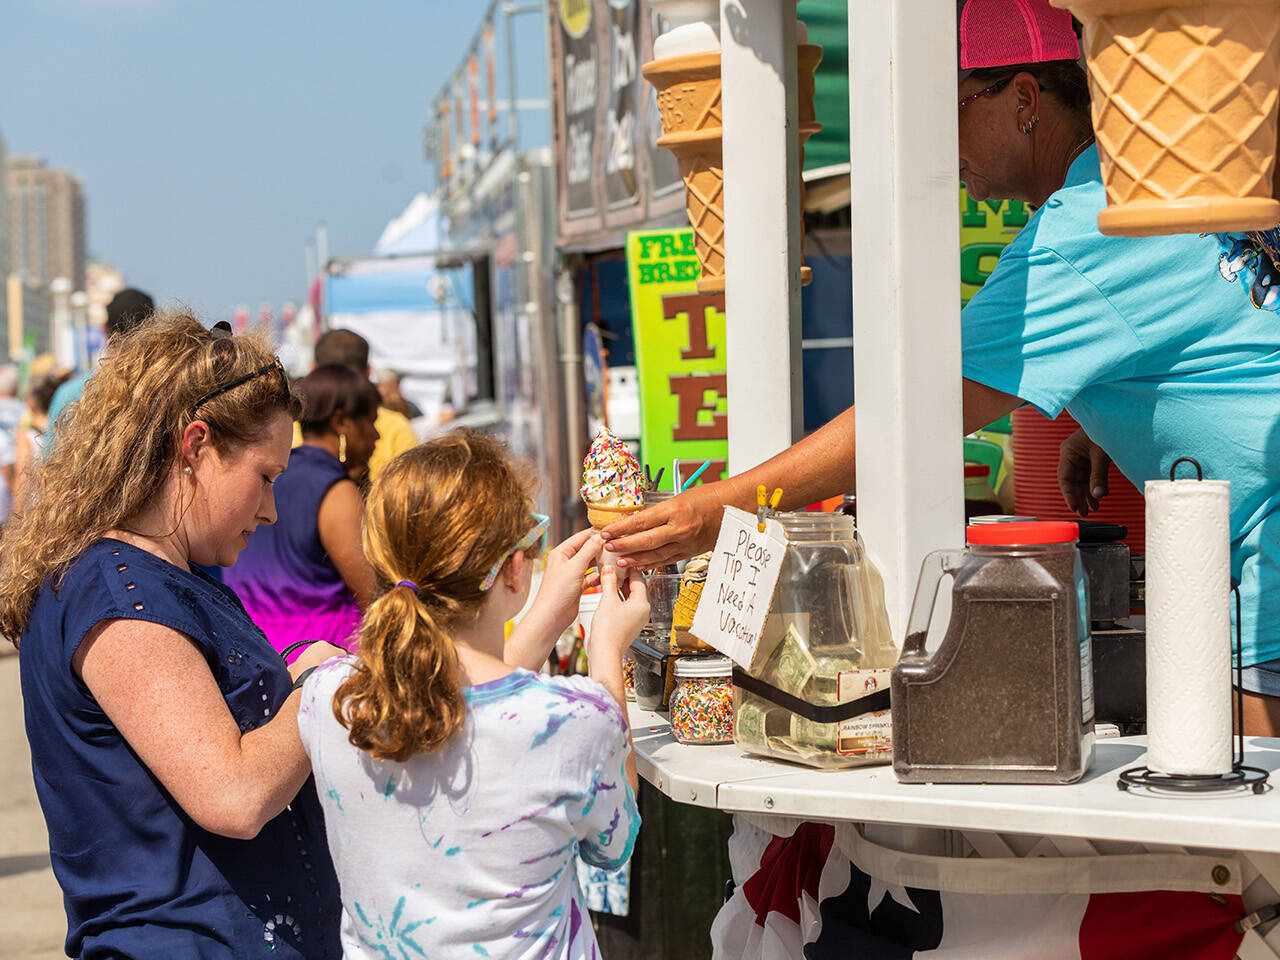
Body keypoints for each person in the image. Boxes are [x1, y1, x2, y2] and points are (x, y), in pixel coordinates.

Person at [604, 0, 1280, 736]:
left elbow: (914, 413)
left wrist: (717, 511)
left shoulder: (1079, 237)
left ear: (1023, 101)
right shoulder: (1145, 182)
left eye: (950, 107)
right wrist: (1105, 411)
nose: (937, 140)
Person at [0, 310, 343, 958]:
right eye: (264, 478)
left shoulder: (163, 575)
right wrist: (318, 687)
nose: (270, 509)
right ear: (194, 447)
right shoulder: (119, 595)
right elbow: (233, 794)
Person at [297, 430, 646, 958]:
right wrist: (607, 651)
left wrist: (546, 616)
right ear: (511, 568)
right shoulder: (574, 721)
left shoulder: (330, 699)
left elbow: (458, 697)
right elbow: (613, 844)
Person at [225, 364, 380, 662]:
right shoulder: (335, 491)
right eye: (369, 422)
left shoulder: (268, 474)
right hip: (321, 660)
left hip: (253, 651)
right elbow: (373, 597)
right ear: (341, 422)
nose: (376, 436)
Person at [308, 328, 417, 480]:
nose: (376, 436)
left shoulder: (289, 431)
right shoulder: (397, 427)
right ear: (368, 372)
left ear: (313, 370)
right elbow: (411, 496)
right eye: (371, 422)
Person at [47, 287, 154, 427]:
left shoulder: (70, 394)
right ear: (154, 328)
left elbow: (51, 447)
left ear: (104, 327)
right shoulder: (166, 389)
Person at [14, 369, 70, 513]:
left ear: (32, 401)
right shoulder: (66, 427)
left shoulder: (27, 434)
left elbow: (23, 478)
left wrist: (17, 514)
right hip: (65, 504)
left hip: (38, 508)